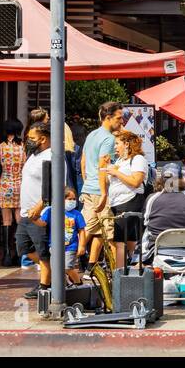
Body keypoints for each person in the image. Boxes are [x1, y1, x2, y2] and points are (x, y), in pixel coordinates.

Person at [96, 129, 150, 272]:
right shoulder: (120, 160)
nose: (115, 147)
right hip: (117, 203)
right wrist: (103, 166)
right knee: (131, 239)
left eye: (117, 144)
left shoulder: (138, 159)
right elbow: (106, 180)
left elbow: (136, 182)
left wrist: (116, 172)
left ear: (126, 144)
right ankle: (135, 268)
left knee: (119, 241)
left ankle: (119, 274)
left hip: (130, 201)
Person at [80, 101, 121, 270]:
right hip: (100, 190)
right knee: (110, 235)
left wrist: (87, 182)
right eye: (118, 118)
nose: (121, 121)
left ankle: (80, 263)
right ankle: (117, 272)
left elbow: (82, 162)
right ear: (108, 117)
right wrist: (104, 193)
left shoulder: (92, 135)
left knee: (92, 230)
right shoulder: (108, 139)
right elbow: (103, 166)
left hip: (89, 188)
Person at [16, 121, 54, 300]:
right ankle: (56, 273)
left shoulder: (52, 156)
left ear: (43, 139)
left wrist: (40, 206)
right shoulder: (33, 155)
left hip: (39, 213)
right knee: (23, 247)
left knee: (43, 251)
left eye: (32, 138)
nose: (28, 141)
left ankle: (46, 284)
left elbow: (55, 186)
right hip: (25, 212)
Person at [37, 185, 87, 286]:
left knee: (67, 267)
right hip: (54, 246)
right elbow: (42, 223)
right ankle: (62, 286)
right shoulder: (51, 210)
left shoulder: (77, 214)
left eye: (74, 199)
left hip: (71, 246)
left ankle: (78, 283)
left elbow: (82, 230)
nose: (72, 201)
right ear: (61, 199)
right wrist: (33, 218)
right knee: (55, 269)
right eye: (69, 199)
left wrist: (82, 246)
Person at [0, 119, 26, 266]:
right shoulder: (23, 146)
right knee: (19, 220)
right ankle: (20, 254)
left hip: (5, 184)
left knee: (6, 221)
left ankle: (6, 255)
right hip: (20, 183)